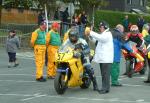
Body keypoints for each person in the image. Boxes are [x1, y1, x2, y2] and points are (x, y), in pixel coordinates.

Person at [85, 21, 114, 94]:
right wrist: (90, 36)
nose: (100, 28)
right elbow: (96, 41)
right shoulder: (103, 35)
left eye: (101, 27)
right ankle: (106, 88)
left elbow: (100, 38)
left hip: (106, 59)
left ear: (105, 27)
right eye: (100, 27)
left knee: (105, 74)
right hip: (103, 59)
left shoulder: (108, 34)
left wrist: (91, 32)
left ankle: (105, 89)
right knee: (104, 74)